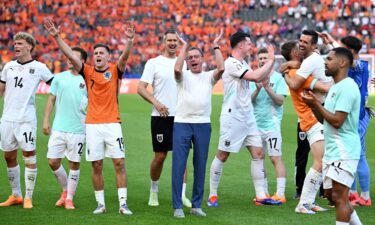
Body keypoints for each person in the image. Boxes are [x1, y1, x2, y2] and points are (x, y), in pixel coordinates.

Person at [44, 18, 134, 215]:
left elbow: (125, 58)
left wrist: (129, 41)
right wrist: (57, 37)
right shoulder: (88, 71)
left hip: (113, 123)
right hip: (92, 125)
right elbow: (69, 54)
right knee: (97, 164)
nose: (98, 55)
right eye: (96, 53)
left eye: (102, 53)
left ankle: (123, 204)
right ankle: (100, 204)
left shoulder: (114, 70)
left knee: (119, 162)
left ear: (109, 57)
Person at [207, 31, 281, 207]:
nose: (251, 46)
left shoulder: (243, 63)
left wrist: (265, 74)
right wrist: (270, 60)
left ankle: (261, 195)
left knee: (258, 153)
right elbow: (255, 76)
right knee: (223, 155)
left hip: (248, 116)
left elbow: (257, 77)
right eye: (248, 43)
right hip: (233, 116)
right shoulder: (231, 63)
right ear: (240, 45)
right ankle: (212, 195)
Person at [302, 47, 363, 225]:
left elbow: (337, 121)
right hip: (333, 150)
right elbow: (325, 120)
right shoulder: (336, 87)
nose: (325, 62)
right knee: (330, 195)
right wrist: (314, 105)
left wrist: (317, 105)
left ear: (342, 62)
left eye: (329, 59)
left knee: (339, 197)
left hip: (344, 149)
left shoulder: (347, 87)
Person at [172, 31, 224, 218]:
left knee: (200, 165)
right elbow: (176, 69)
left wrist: (216, 45)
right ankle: (177, 205)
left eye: (196, 57)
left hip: (202, 124)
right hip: (182, 124)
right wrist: (184, 47)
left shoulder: (208, 76)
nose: (193, 60)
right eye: (190, 58)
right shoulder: (183, 75)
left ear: (202, 60)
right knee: (179, 165)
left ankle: (196, 205)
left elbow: (221, 68)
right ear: (187, 60)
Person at [137, 30, 191, 208]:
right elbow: (141, 88)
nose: (172, 43)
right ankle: (154, 190)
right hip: (161, 116)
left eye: (175, 40)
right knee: (160, 157)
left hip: (182, 117)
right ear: (164, 42)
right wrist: (157, 103)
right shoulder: (154, 63)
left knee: (182, 157)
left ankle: (182, 195)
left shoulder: (183, 63)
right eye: (169, 40)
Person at [0, 32, 54, 209]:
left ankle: (28, 197)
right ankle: (16, 195)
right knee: (9, 156)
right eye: (15, 43)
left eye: (20, 43)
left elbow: (55, 86)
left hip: (26, 120)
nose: (16, 46)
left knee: (29, 156)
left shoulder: (39, 67)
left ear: (29, 46)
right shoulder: (8, 66)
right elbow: (1, 89)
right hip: (7, 119)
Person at [281, 30, 332, 214]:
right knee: (319, 161)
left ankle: (309, 202)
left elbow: (293, 72)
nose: (300, 45)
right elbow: (324, 87)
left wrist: (285, 69)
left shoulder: (294, 70)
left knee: (321, 160)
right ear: (295, 54)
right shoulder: (300, 74)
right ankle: (303, 203)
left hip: (310, 119)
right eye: (298, 44)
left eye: (303, 41)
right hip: (311, 119)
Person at [318, 33, 372, 206]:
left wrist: (332, 42)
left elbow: (345, 59)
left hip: (359, 116)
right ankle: (354, 193)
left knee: (358, 155)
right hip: (353, 113)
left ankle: (363, 196)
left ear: (350, 51)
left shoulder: (361, 65)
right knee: (354, 155)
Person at [42, 46, 88, 210]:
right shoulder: (59, 78)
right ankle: (65, 190)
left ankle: (69, 198)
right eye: (68, 56)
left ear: (82, 61)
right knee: (53, 161)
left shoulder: (88, 79)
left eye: (73, 56)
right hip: (59, 128)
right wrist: (46, 120)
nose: (69, 58)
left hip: (78, 129)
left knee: (74, 163)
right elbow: (51, 100)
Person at [250, 48, 287, 203]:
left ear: (270, 60)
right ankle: (262, 193)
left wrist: (267, 88)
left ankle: (280, 193)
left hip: (272, 125)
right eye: (261, 58)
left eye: (266, 57)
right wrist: (258, 89)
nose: (263, 60)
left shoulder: (278, 78)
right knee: (258, 158)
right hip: (256, 126)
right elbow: (249, 101)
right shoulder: (253, 77)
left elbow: (280, 101)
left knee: (275, 158)